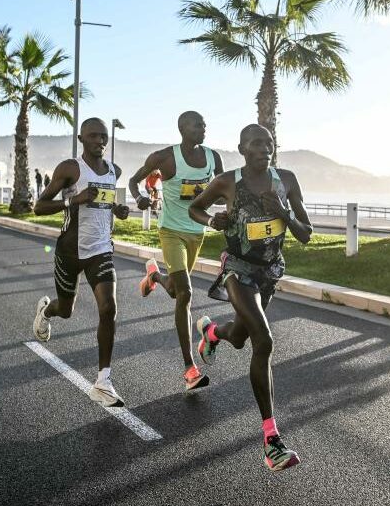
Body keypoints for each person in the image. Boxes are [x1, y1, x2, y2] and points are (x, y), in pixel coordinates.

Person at [189, 124, 313, 472]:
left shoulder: (286, 179)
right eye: (257, 144)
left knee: (241, 337)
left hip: (269, 271)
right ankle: (271, 441)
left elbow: (306, 234)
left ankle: (212, 333)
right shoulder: (228, 181)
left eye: (269, 143)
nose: (264, 149)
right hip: (238, 270)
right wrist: (213, 220)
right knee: (264, 339)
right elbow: (195, 209)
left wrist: (283, 211)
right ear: (242, 148)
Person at [32, 117, 131, 407]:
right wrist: (71, 201)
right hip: (69, 251)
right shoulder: (70, 168)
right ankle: (46, 311)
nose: (100, 141)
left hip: (101, 250)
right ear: (81, 139)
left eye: (104, 137)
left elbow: (105, 201)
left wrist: (118, 209)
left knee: (108, 307)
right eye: (94, 136)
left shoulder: (115, 170)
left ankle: (103, 381)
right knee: (66, 310)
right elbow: (39, 206)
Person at [127, 111, 223, 392]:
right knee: (186, 293)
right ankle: (190, 369)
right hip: (170, 231)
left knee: (175, 291)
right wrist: (138, 198)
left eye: (205, 124)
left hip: (196, 232)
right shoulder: (163, 158)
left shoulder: (213, 158)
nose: (203, 128)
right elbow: (133, 181)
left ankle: (154, 276)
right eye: (197, 125)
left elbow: (227, 189)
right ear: (182, 129)